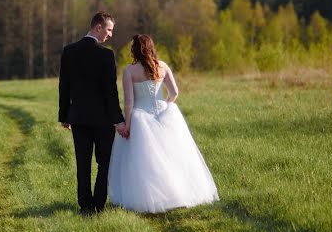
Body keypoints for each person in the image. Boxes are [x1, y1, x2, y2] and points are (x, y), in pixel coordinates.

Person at [108, 34, 219, 213]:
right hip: (163, 114)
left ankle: (150, 197)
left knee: (145, 160)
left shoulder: (130, 71)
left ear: (134, 49)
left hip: (140, 116)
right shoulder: (163, 66)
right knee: (172, 155)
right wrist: (165, 106)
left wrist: (127, 125)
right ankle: (177, 193)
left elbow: (128, 102)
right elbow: (174, 92)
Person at [59, 12, 128, 215]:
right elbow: (110, 91)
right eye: (109, 29)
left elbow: (64, 87)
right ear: (98, 27)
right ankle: (98, 206)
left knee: (83, 162)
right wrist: (118, 119)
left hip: (78, 117)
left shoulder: (69, 51)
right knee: (104, 162)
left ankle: (85, 205)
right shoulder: (106, 55)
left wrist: (64, 115)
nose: (110, 35)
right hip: (103, 119)